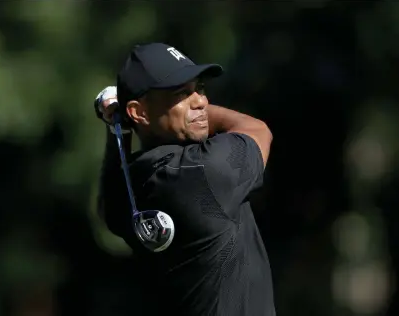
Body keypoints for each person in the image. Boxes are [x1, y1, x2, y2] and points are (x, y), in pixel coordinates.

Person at [95, 43, 275, 316]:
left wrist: (118, 126)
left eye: (199, 88)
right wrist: (123, 117)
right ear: (139, 111)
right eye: (182, 93)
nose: (201, 101)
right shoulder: (204, 171)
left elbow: (109, 204)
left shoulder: (129, 189)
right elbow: (257, 129)